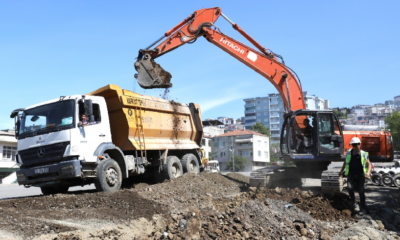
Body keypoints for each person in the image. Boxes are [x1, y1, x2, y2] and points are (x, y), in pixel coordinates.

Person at [339, 137, 372, 214]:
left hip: (361, 175)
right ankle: (354, 203)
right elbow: (345, 162)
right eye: (353, 145)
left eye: (356, 145)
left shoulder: (363, 154)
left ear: (359, 145)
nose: (355, 147)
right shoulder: (349, 152)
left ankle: (363, 207)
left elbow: (369, 164)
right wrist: (341, 171)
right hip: (351, 174)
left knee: (361, 190)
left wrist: (368, 173)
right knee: (350, 188)